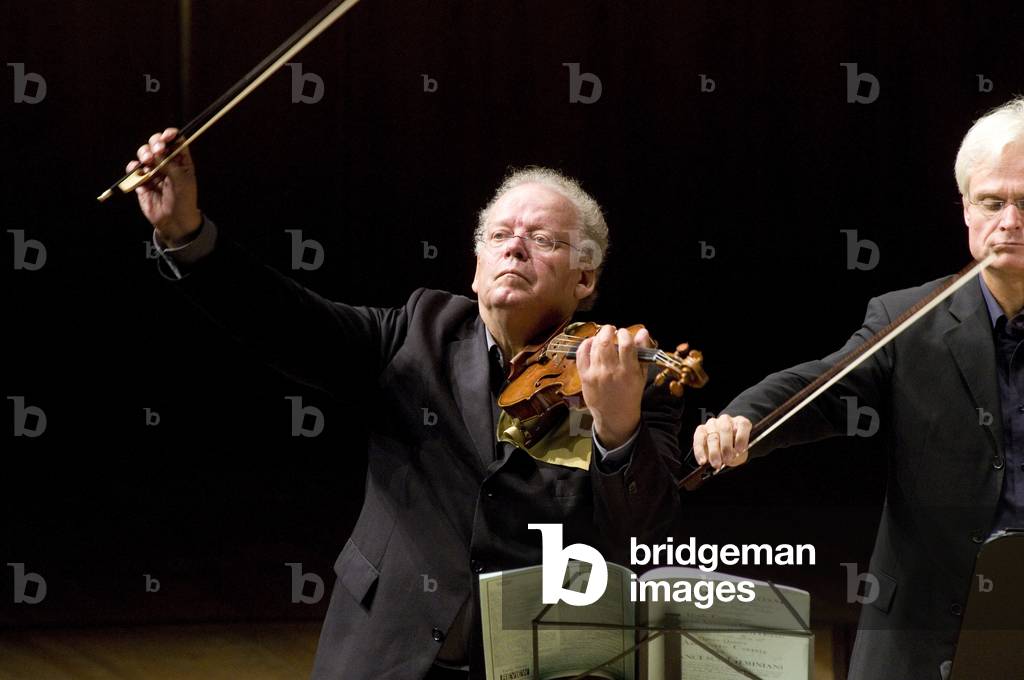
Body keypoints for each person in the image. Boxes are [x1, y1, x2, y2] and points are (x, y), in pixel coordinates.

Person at [128, 131, 685, 680]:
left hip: (533, 664)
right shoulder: (417, 334)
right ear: (477, 263)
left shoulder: (628, 375)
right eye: (500, 235)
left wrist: (617, 428)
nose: (515, 246)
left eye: (543, 240)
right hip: (386, 652)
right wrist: (189, 236)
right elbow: (286, 321)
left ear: (584, 276)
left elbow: (644, 537)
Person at [692, 97, 1024, 680]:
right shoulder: (909, 320)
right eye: (992, 202)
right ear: (966, 210)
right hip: (924, 636)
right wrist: (743, 420)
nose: (1010, 222)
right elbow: (819, 387)